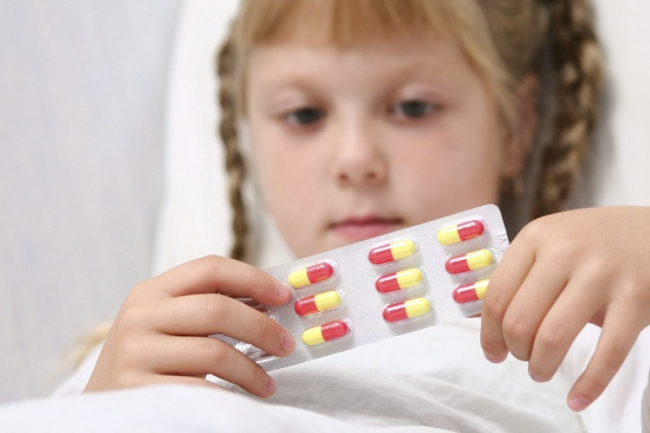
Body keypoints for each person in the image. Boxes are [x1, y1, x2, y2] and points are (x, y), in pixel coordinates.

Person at [77, 0, 650, 430]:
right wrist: (103, 405)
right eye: (304, 115)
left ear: (516, 129)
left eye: (412, 107)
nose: (355, 160)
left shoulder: (591, 325)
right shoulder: (153, 345)